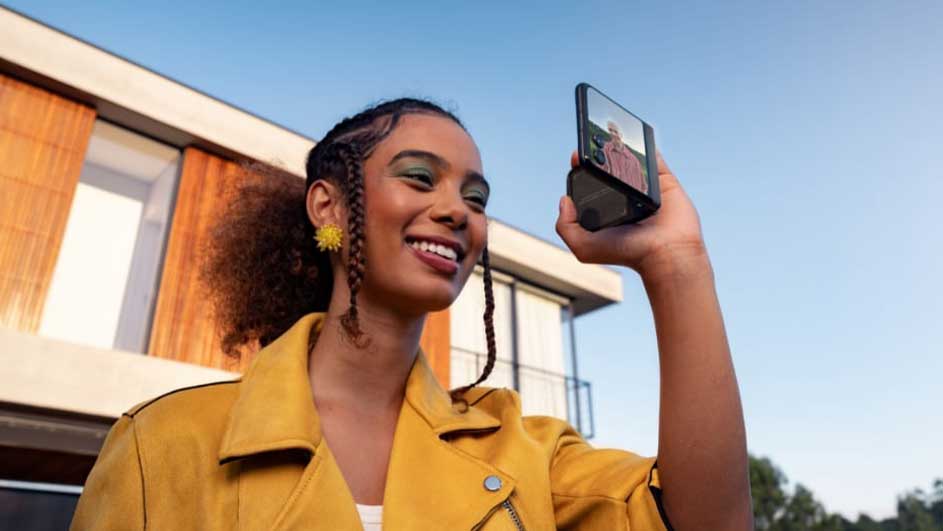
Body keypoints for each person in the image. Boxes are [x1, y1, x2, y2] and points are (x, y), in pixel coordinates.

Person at [70, 98, 752, 530]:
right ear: (327, 207)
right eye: (419, 178)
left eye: (476, 196)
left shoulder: (525, 449)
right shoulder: (158, 447)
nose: (457, 209)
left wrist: (676, 261)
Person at [601, 120, 648, 194]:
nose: (612, 134)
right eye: (610, 130)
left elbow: (644, 188)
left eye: (615, 131)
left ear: (621, 134)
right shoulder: (605, 149)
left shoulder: (635, 161)